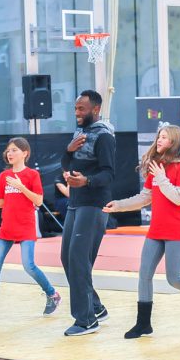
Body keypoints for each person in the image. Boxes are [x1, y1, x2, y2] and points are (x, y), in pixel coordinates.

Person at [103, 125, 180, 339]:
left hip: (177, 230)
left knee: (174, 279)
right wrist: (118, 205)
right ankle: (143, 324)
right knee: (144, 275)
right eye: (159, 136)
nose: (159, 139)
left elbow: (178, 198)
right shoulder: (156, 166)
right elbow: (144, 197)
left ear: (174, 141)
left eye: (164, 137)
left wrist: (162, 177)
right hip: (156, 230)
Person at [0, 137, 61, 320]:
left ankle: (52, 294)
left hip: (25, 227)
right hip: (7, 228)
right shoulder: (4, 176)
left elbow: (39, 201)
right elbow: (1, 200)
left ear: (25, 153)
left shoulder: (32, 175)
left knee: (29, 266)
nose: (9, 153)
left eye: (14, 150)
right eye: (8, 150)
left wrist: (21, 187)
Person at [60, 89, 115, 336]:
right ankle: (95, 307)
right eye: (75, 108)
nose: (77, 113)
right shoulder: (80, 133)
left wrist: (87, 182)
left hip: (94, 204)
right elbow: (67, 165)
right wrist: (68, 151)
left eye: (81, 109)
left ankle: (86, 320)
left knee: (78, 260)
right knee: (67, 259)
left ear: (95, 109)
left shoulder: (104, 136)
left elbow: (109, 174)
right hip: (76, 203)